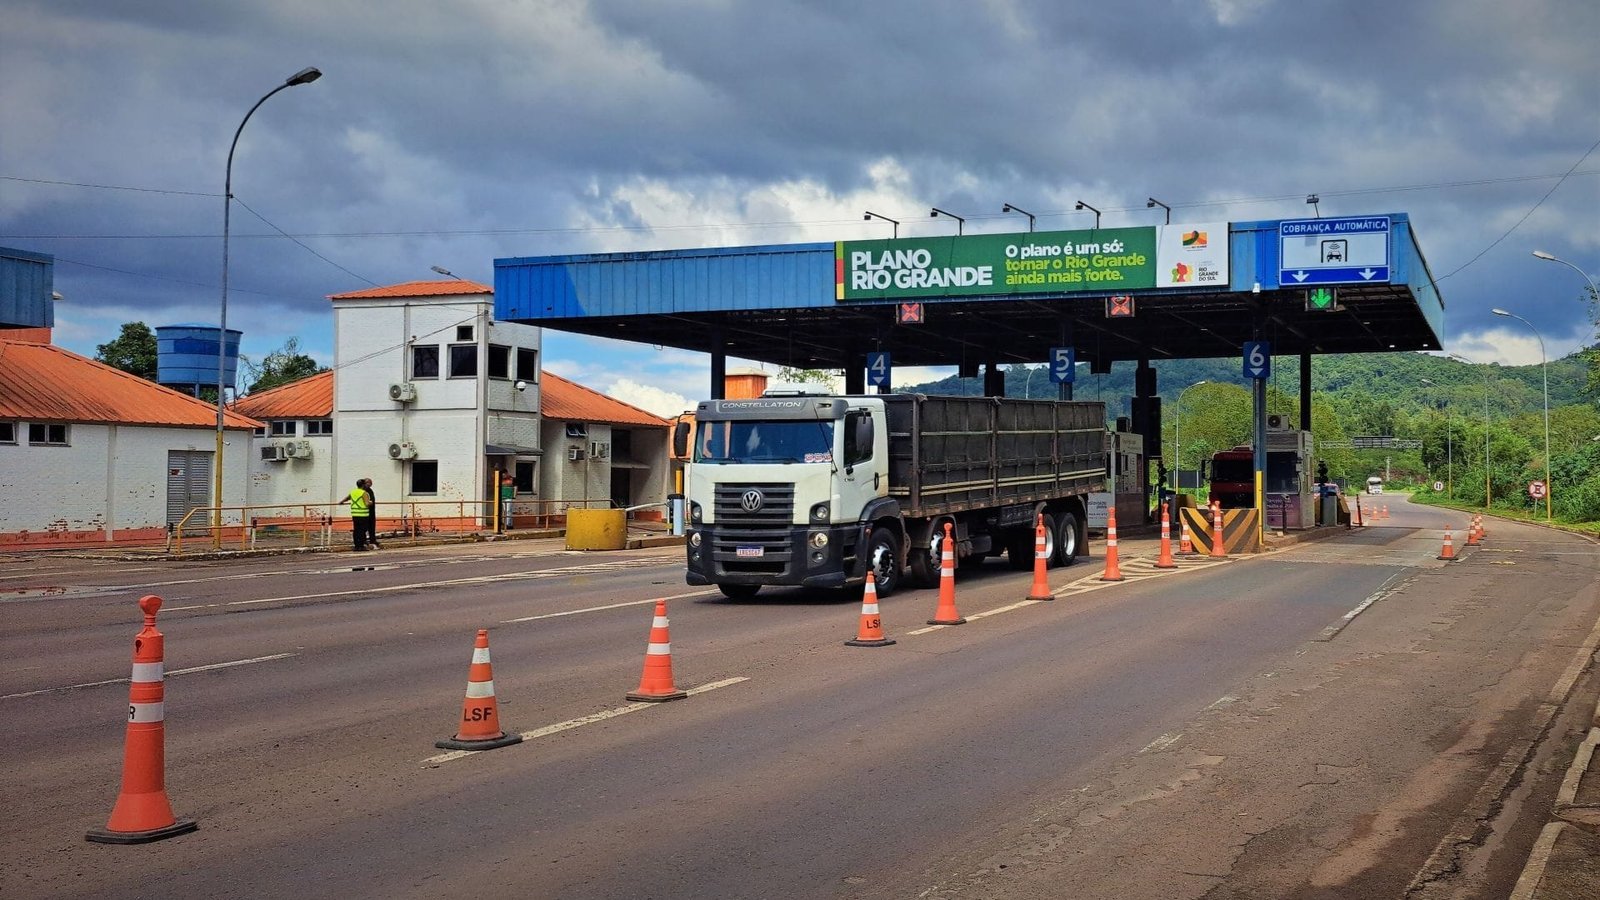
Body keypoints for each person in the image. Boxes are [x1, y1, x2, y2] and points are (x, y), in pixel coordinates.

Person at [342, 478, 371, 551]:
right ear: (363, 485)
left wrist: (341, 502)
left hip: (355, 514)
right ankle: (361, 546)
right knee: (362, 530)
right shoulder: (364, 493)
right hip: (363, 515)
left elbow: (347, 498)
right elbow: (367, 504)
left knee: (356, 530)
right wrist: (371, 502)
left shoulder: (353, 492)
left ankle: (356, 545)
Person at [361, 478, 381, 549]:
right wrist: (370, 503)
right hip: (365, 512)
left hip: (371, 512)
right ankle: (363, 540)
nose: (370, 484)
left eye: (370, 483)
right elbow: (367, 502)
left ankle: (372, 540)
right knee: (364, 528)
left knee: (372, 527)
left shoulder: (370, 490)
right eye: (369, 483)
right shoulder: (363, 491)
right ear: (365, 483)